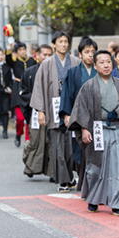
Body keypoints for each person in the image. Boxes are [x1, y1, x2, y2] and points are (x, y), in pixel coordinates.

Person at [68, 50, 119, 216]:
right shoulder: (89, 86)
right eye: (102, 62)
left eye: (108, 61)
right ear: (95, 65)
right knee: (95, 168)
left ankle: (118, 202)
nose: (106, 65)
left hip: (118, 130)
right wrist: (84, 129)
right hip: (97, 130)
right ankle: (93, 198)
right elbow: (81, 109)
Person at [30, 31, 80, 192]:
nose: (64, 44)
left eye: (66, 41)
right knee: (58, 145)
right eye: (60, 42)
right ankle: (63, 180)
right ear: (54, 44)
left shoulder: (75, 61)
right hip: (54, 107)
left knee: (71, 146)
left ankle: (70, 177)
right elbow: (39, 87)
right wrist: (40, 110)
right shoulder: (47, 63)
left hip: (72, 108)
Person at [59, 37, 98, 193]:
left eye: (93, 52)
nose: (90, 55)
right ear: (80, 54)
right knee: (80, 151)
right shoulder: (73, 72)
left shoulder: (101, 71)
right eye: (86, 52)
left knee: (98, 150)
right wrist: (66, 114)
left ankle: (95, 184)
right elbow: (66, 94)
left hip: (98, 118)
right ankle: (83, 182)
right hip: (79, 117)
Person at [19, 44, 54, 179]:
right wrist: (38, 102)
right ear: (37, 56)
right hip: (35, 112)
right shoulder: (29, 72)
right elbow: (23, 92)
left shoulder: (56, 71)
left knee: (51, 142)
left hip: (53, 111)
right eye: (44, 54)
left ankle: (53, 173)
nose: (46, 57)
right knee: (35, 141)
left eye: (49, 55)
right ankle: (31, 166)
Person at [6, 41, 37, 147]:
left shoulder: (32, 61)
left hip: (30, 90)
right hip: (18, 90)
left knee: (29, 116)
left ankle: (27, 140)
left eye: (23, 49)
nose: (22, 51)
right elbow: (8, 58)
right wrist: (9, 46)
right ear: (17, 52)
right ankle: (18, 134)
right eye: (20, 50)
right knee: (20, 118)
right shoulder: (14, 62)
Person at [0, 48, 13, 139]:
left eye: (2, 54)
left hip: (5, 92)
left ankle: (5, 130)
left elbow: (10, 80)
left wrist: (10, 88)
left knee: (5, 111)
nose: (0, 56)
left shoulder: (7, 67)